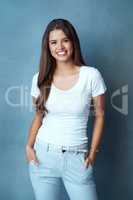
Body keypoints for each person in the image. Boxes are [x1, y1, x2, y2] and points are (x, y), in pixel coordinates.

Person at [25, 18, 107, 200]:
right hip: (43, 157)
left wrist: (92, 154)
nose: (60, 47)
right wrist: (29, 146)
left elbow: (100, 116)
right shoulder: (39, 78)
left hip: (76, 159)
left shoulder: (91, 75)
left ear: (73, 42)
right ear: (48, 47)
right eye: (53, 42)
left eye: (65, 40)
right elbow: (39, 116)